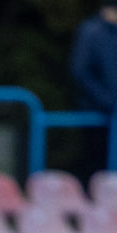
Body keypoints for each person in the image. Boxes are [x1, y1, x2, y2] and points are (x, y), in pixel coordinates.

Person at [73, 3, 117, 170]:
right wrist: (108, 102)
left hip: (108, 111)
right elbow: (81, 71)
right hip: (96, 113)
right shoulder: (91, 31)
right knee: (97, 165)